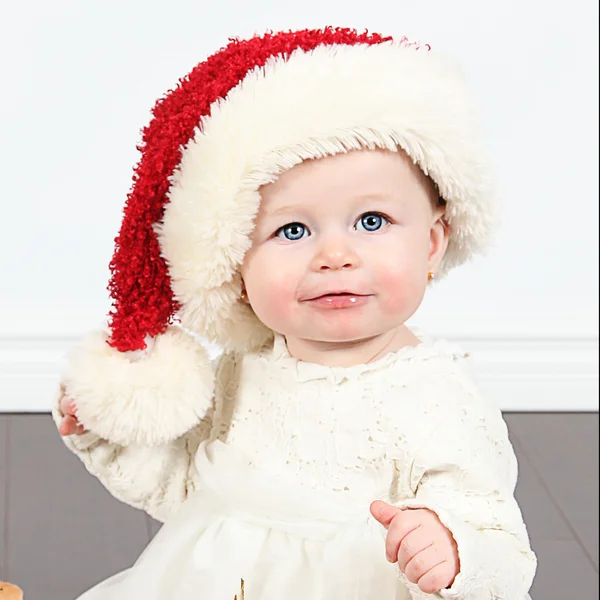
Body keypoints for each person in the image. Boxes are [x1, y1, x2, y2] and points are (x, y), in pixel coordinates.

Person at [54, 28, 537, 600]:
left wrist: (453, 552)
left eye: (372, 221)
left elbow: (499, 541)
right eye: (292, 230)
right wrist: (115, 433)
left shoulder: (440, 398)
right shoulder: (244, 367)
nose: (335, 256)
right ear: (236, 264)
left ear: (432, 245)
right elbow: (189, 488)